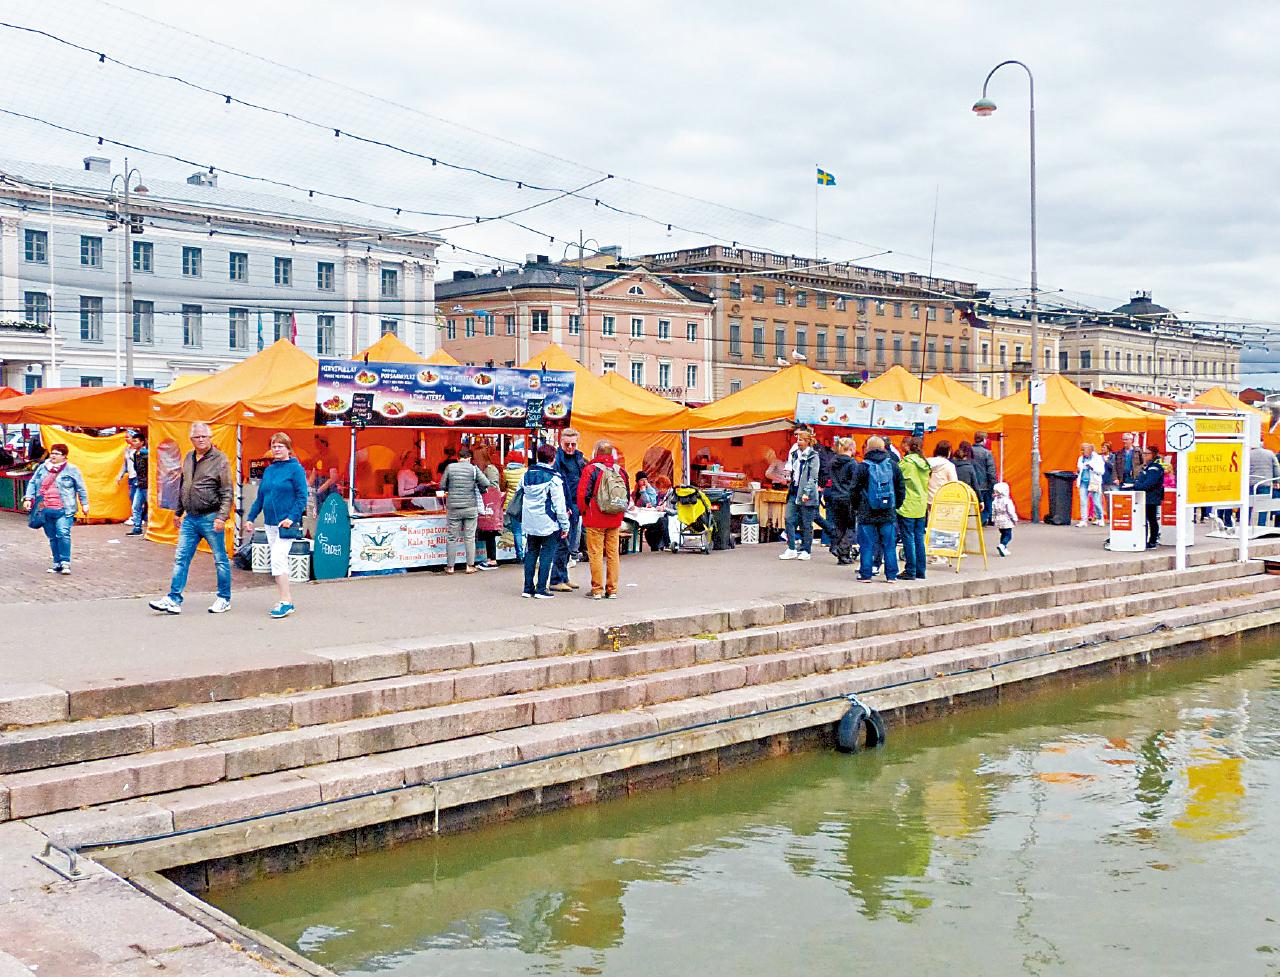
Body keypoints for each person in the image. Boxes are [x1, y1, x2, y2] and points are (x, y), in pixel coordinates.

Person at [149, 422, 234, 614]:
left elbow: (227, 491)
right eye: (197, 437)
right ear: (191, 439)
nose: (201, 439)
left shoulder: (220, 459)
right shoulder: (189, 457)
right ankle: (173, 599)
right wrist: (178, 512)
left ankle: (224, 598)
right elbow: (184, 486)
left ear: (210, 437)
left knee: (220, 559)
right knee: (181, 558)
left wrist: (222, 517)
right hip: (190, 518)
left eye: (204, 436)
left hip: (211, 516)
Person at [243, 432, 309, 619]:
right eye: (274, 446)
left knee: (278, 559)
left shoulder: (296, 469)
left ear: (288, 448)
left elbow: (302, 497)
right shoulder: (270, 470)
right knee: (278, 561)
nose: (277, 449)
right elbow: (261, 497)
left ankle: (286, 601)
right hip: (270, 524)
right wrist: (250, 517)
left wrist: (291, 518)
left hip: (286, 525)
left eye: (280, 446)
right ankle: (284, 599)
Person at [22, 442, 89, 575]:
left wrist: (85, 504)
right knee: (52, 537)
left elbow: (81, 488)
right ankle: (56, 562)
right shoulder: (42, 468)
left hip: (65, 509)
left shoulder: (72, 469)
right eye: (52, 453)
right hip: (44, 509)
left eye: (57, 454)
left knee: (63, 533)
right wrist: (28, 498)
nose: (53, 456)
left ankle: (65, 562)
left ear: (64, 456)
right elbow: (33, 482)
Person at [578, 440, 630, 599]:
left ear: (596, 452)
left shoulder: (591, 469)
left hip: (595, 517)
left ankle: (597, 589)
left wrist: (584, 512)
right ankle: (612, 589)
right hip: (614, 517)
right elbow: (627, 495)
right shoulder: (620, 471)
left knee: (596, 554)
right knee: (613, 554)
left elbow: (583, 495)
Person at [851, 435, 904, 582]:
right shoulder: (893, 465)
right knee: (889, 545)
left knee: (867, 545)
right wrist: (895, 505)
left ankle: (866, 574)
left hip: (866, 511)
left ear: (868, 448)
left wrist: (856, 507)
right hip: (888, 512)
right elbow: (900, 488)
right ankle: (891, 575)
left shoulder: (863, 466)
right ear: (883, 447)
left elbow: (854, 490)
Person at [520, 444, 569, 598]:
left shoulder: (526, 475)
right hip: (548, 521)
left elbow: (519, 494)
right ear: (553, 459)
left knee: (531, 553)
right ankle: (541, 588)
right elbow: (559, 505)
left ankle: (527, 588)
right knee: (547, 554)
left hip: (529, 521)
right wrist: (565, 525)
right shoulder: (554, 478)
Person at [441, 445, 491, 574]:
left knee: (452, 537)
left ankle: (450, 567)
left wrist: (451, 488)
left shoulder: (450, 467)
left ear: (458, 458)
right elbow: (486, 483)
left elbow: (442, 485)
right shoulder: (474, 469)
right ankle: (469, 566)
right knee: (469, 537)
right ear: (469, 458)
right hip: (470, 507)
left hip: (453, 508)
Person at [549, 428, 587, 592]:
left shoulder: (579, 458)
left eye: (573, 444)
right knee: (562, 543)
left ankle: (563, 577)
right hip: (564, 506)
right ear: (561, 443)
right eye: (567, 444)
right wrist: (563, 506)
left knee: (569, 543)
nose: (570, 447)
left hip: (576, 505)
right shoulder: (557, 459)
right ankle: (556, 579)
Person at [779, 428, 820, 561]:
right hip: (794, 490)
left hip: (806, 493)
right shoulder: (795, 454)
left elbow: (813, 477)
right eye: (797, 439)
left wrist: (807, 492)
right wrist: (788, 476)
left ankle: (806, 550)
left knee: (806, 523)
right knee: (789, 519)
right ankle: (791, 548)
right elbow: (791, 468)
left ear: (808, 441)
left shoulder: (813, 456)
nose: (798, 442)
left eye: (801, 440)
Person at [897, 437, 930, 580]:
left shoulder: (906, 463)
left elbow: (897, 480)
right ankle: (920, 570)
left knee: (908, 538)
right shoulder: (924, 463)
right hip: (920, 504)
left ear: (908, 446)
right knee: (919, 538)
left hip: (907, 504)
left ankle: (910, 570)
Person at [826, 438, 859, 565]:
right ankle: (842, 550)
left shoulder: (832, 462)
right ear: (851, 448)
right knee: (851, 527)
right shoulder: (852, 463)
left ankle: (840, 552)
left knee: (839, 526)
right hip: (848, 498)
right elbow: (856, 482)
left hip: (835, 496)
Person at [472, 444, 503, 569]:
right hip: (490, 504)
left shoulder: (489, 470)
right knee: (489, 532)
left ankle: (492, 560)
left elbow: (493, 487)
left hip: (490, 504)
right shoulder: (488, 469)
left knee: (490, 532)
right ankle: (490, 559)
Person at [1131, 447, 1166, 549]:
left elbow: (1148, 484)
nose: (1144, 455)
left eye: (1147, 453)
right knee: (1148, 519)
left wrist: (1136, 485)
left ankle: (1152, 541)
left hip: (1151, 497)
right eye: (1144, 453)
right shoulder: (1147, 466)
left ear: (1153, 454)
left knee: (1151, 519)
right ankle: (1146, 540)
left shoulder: (1155, 468)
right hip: (1145, 497)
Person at [502, 450, 528, 560]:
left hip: (511, 504)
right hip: (524, 503)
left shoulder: (506, 472)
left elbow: (503, 486)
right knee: (526, 530)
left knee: (516, 530)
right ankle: (527, 553)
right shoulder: (526, 471)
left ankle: (519, 555)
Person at [1248, 443, 1280, 527]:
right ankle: (1261, 525)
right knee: (1263, 506)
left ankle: (1247, 524)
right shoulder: (1270, 453)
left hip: (1250, 483)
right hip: (1265, 483)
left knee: (1249, 505)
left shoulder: (1248, 454)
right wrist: (1276, 481)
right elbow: (1276, 467)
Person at [1075, 443, 1106, 528]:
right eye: (1081, 450)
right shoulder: (1081, 458)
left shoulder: (1098, 458)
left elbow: (1101, 471)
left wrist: (1092, 467)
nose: (1082, 452)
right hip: (1083, 482)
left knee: (1096, 502)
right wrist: (1078, 471)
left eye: (1083, 450)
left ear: (1090, 450)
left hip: (1093, 482)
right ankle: (1083, 520)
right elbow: (1079, 468)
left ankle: (1100, 518)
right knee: (1083, 501)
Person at [972, 432, 998, 525]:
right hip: (984, 485)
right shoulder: (987, 453)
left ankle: (975, 522)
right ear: (984, 440)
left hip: (971, 484)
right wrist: (994, 484)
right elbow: (991, 471)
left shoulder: (969, 451)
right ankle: (979, 523)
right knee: (986, 506)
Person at [127, 431, 149, 536]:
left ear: (142, 442)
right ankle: (137, 528)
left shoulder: (145, 453)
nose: (133, 443)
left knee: (143, 507)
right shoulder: (136, 454)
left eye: (136, 441)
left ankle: (148, 528)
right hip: (140, 484)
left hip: (147, 485)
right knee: (136, 506)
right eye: (133, 441)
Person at [952, 441, 983, 514]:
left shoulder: (950, 466)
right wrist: (980, 500)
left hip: (952, 494)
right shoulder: (970, 467)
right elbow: (975, 485)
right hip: (966, 494)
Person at [992, 481, 1019, 557]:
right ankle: (1002, 545)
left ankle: (1004, 549)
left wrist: (993, 519)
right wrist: (1014, 519)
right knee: (1008, 535)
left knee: (1003, 534)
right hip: (1006, 519)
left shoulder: (995, 501)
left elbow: (993, 511)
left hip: (998, 519)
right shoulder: (1007, 501)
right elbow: (1011, 511)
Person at [927, 441, 958, 506]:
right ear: (948, 452)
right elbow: (954, 484)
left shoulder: (927, 462)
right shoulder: (949, 465)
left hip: (927, 499)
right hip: (942, 500)